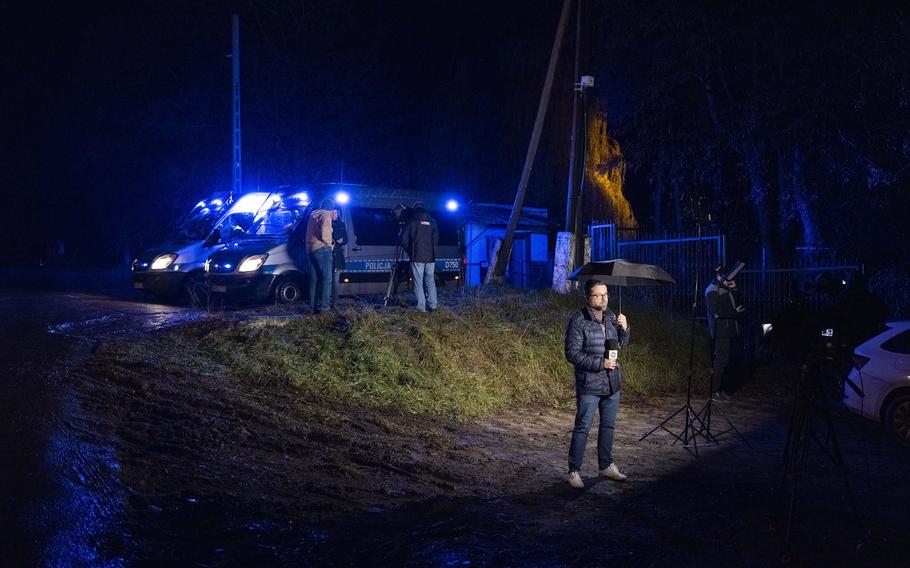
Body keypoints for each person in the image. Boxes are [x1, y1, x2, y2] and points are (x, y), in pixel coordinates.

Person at [565, 279, 631, 489]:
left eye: (606, 294)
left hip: (612, 383)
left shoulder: (612, 317)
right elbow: (572, 353)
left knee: (608, 426)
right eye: (598, 295)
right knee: (583, 427)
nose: (603, 299)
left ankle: (606, 465)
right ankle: (574, 471)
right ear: (587, 297)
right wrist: (600, 363)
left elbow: (620, 345)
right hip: (590, 384)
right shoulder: (578, 320)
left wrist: (625, 329)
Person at [705, 265, 744, 401]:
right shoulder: (712, 290)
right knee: (720, 361)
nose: (726, 278)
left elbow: (734, 303)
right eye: (723, 276)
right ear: (717, 276)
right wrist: (735, 313)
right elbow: (717, 313)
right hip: (720, 331)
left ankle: (720, 390)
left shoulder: (724, 288)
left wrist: (734, 289)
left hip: (729, 329)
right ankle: (713, 391)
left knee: (726, 361)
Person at [400, 201, 439, 312]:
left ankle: (421, 307)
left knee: (418, 282)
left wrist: (409, 250)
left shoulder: (411, 221)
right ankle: (433, 305)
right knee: (430, 281)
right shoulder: (432, 221)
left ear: (414, 209)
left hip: (417, 257)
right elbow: (436, 240)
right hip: (431, 257)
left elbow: (404, 239)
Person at [305, 198, 338, 314]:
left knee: (314, 279)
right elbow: (325, 234)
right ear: (331, 209)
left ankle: (312, 307)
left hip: (311, 249)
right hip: (322, 249)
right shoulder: (326, 215)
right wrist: (330, 244)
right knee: (327, 278)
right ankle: (325, 307)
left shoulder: (314, 215)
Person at [330, 210, 348, 309]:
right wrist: (336, 237)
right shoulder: (327, 223)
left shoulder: (341, 224)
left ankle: (334, 303)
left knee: (335, 281)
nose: (333, 214)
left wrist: (342, 240)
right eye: (332, 213)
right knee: (329, 280)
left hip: (337, 257)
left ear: (338, 214)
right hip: (329, 255)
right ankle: (328, 301)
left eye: (335, 213)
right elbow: (333, 236)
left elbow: (345, 239)